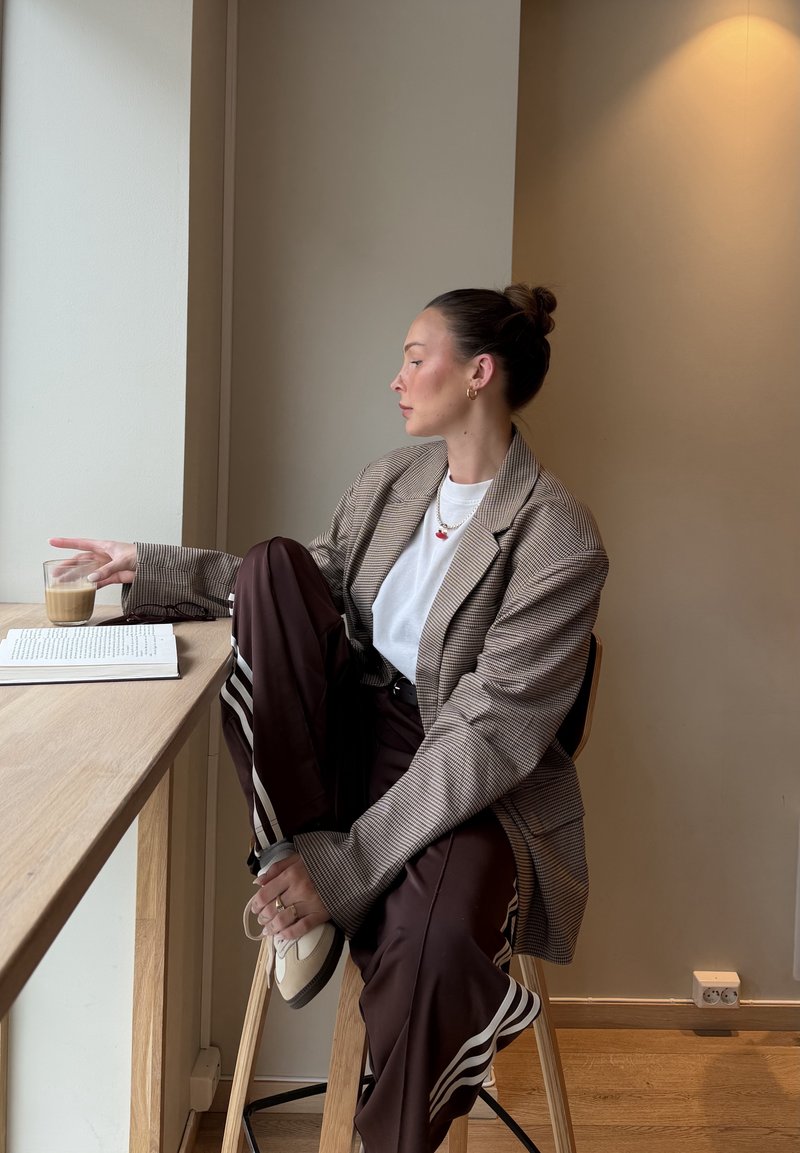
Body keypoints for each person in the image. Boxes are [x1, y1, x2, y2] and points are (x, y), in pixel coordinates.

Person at [51, 283, 608, 1153]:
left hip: (460, 775)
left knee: (434, 941)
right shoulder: (392, 479)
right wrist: (149, 567)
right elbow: (296, 590)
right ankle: (293, 864)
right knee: (272, 564)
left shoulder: (558, 539)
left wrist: (345, 867)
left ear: (478, 373)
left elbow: (488, 736)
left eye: (415, 358)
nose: (397, 378)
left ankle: (370, 1093)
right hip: (346, 738)